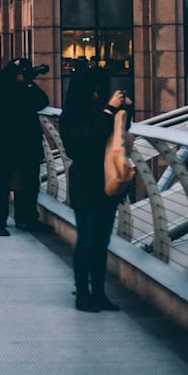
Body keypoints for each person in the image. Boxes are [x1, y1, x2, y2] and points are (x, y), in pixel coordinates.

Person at [60, 61, 130, 312]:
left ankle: (99, 293)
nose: (99, 93)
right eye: (96, 88)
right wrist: (109, 111)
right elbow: (85, 142)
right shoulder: (72, 114)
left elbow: (117, 139)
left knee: (102, 241)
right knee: (87, 240)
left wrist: (124, 112)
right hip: (85, 181)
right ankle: (82, 293)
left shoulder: (102, 110)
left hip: (106, 181)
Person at [0, 58, 50, 236]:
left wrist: (28, 82)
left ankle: (26, 218)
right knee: (2, 185)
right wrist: (14, 71)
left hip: (26, 143)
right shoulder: (3, 86)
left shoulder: (27, 88)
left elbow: (43, 101)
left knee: (29, 182)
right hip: (6, 142)